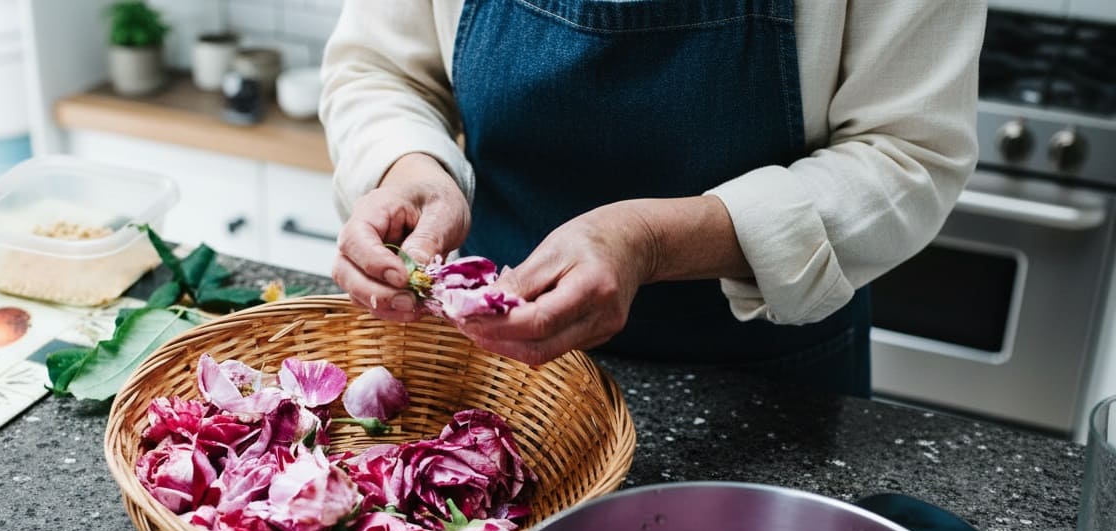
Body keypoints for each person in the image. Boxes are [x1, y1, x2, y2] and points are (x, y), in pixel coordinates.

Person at [318, 0, 985, 397]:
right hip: (497, 367)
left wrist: (652, 239)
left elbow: (908, 154)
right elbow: (379, 68)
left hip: (761, 387)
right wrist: (413, 172)